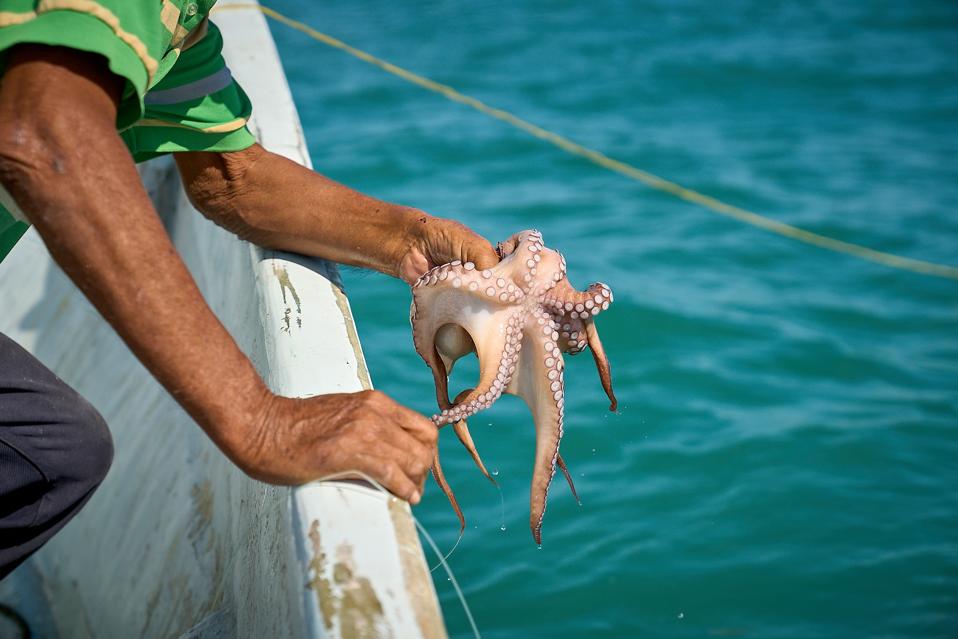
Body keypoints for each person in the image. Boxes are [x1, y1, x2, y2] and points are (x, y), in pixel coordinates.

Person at [0, 1, 498, 580]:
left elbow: (231, 179)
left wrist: (412, 242)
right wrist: (262, 425)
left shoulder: (179, 22)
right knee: (49, 452)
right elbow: (42, 129)